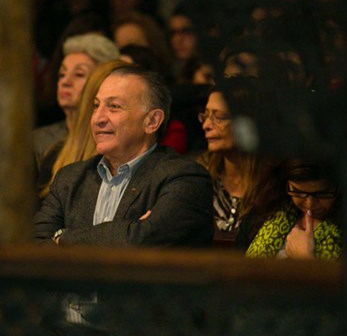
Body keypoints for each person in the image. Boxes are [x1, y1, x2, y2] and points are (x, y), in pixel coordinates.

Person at [33, 65, 213, 247]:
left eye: (114, 107)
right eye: (96, 106)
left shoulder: (185, 179)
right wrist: (128, 230)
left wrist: (62, 237)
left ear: (152, 121)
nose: (98, 118)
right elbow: (37, 244)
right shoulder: (69, 179)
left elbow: (139, 242)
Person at [197, 76, 277, 248]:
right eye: (205, 115)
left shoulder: (275, 182)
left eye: (219, 117)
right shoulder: (197, 176)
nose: (206, 125)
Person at [37, 59, 130, 198]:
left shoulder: (157, 170)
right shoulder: (54, 157)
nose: (101, 117)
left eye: (115, 106)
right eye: (96, 105)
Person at [33, 33, 120, 168]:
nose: (65, 82)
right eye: (62, 74)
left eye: (79, 74)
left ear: (103, 81)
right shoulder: (38, 141)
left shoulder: (112, 140)